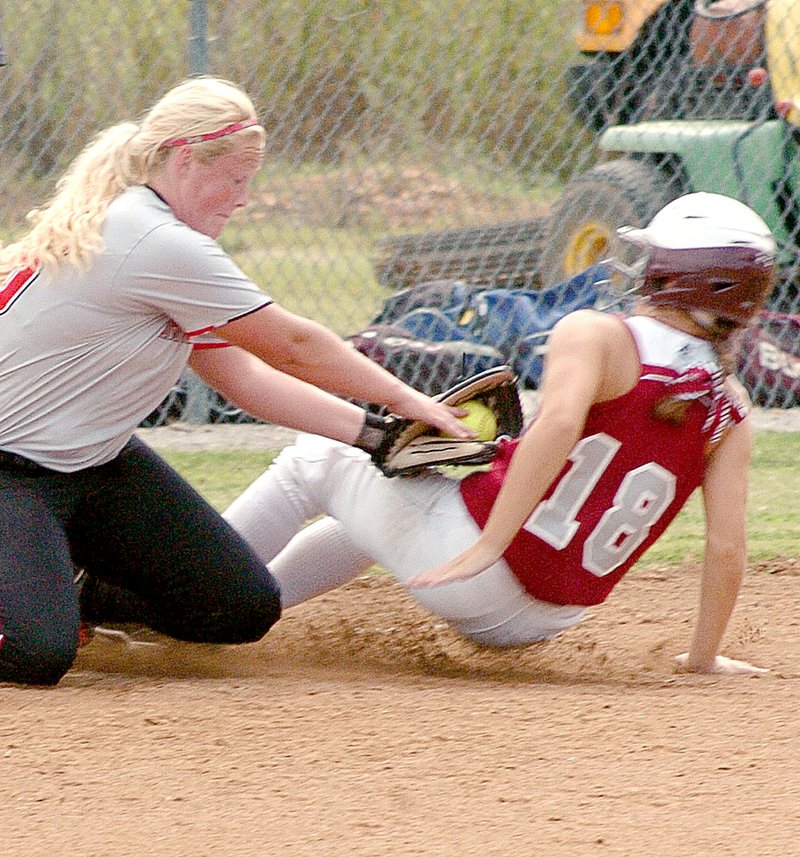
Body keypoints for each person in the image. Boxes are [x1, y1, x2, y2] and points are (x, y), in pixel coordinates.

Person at [0, 76, 471, 686]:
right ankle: (34, 606)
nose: (243, 197)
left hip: (92, 464)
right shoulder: (153, 239)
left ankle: (61, 588)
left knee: (239, 607)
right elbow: (293, 346)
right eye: (237, 178)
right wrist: (411, 400)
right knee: (36, 655)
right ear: (187, 160)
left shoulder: (147, 231)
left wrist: (379, 436)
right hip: (10, 469)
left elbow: (245, 378)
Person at [224, 192, 776, 676]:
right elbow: (727, 547)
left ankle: (175, 596)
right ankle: (243, 612)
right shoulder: (730, 403)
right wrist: (704, 656)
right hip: (550, 617)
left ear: (674, 276)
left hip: (481, 570)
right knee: (368, 518)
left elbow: (558, 427)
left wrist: (487, 546)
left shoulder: (598, 335)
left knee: (315, 460)